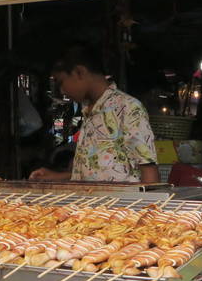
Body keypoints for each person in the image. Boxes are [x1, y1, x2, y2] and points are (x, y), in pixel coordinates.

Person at [30, 45, 158, 183]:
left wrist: (148, 204)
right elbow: (96, 174)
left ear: (79, 72)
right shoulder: (88, 110)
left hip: (121, 203)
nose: (61, 91)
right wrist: (57, 177)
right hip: (91, 202)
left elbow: (148, 171)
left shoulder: (127, 107)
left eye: (61, 82)